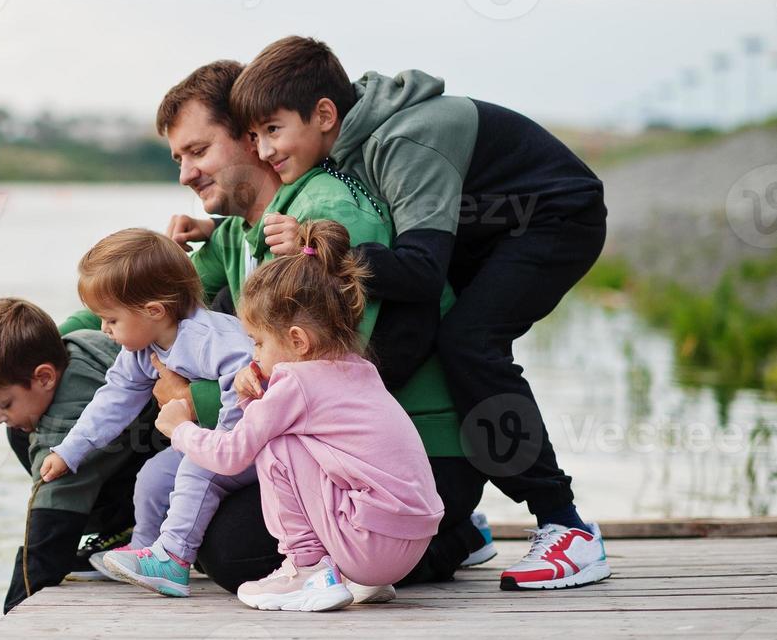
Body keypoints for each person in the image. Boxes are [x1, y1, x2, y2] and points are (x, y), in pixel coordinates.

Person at [233, 35, 612, 591]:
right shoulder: (350, 142)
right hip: (487, 230)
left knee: (470, 342)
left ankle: (565, 523)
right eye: (254, 136)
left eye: (272, 130)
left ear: (323, 114)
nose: (264, 150)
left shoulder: (407, 139)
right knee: (425, 320)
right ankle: (456, 517)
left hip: (554, 219)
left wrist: (315, 247)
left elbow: (421, 268)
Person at [142, 60, 493, 590]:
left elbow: (336, 367)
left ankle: (449, 537)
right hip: (327, 442)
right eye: (179, 158)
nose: (186, 174)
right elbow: (165, 299)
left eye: (198, 151)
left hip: (412, 449)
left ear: (247, 137)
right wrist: (76, 330)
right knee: (185, 490)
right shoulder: (239, 231)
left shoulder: (322, 216)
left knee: (231, 554)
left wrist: (195, 402)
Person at [156, 220, 445, 611]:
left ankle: (307, 569)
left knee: (277, 444)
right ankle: (351, 578)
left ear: (297, 340)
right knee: (296, 441)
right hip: (410, 546)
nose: (253, 355)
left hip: (370, 543)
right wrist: (251, 396)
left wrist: (181, 429)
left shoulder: (296, 380)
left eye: (258, 342)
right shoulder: (359, 369)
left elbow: (231, 456)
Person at [39, 228, 254, 597]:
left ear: (154, 311)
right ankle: (144, 549)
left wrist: (220, 439)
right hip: (204, 441)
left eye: (111, 320)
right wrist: (69, 450)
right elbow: (113, 398)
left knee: (196, 468)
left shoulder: (208, 338)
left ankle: (173, 559)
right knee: (153, 475)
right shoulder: (143, 348)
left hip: (253, 443)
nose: (103, 329)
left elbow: (248, 376)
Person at [0, 297, 158, 613]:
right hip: (146, 457)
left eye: (4, 404)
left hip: (178, 469)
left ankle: (136, 528)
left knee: (36, 443)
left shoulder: (68, 413)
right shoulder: (81, 344)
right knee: (21, 428)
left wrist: (19, 607)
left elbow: (52, 505)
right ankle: (122, 530)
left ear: (45, 377)